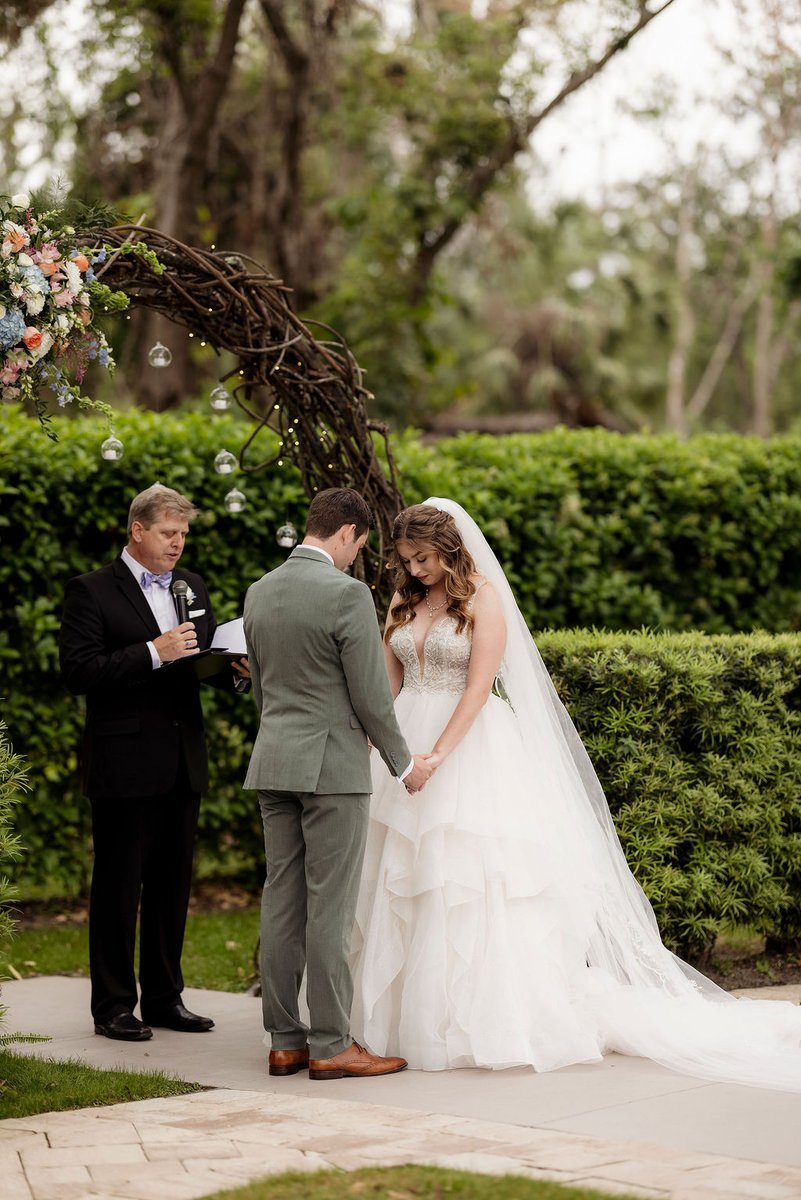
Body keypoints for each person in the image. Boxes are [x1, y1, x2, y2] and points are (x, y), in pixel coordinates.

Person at [351, 498, 801, 1091]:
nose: (414, 570)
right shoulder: (403, 600)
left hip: (467, 745)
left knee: (467, 879)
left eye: (425, 558)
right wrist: (376, 742)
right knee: (394, 877)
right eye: (407, 560)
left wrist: (438, 754)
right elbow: (390, 681)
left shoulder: (482, 597)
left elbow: (481, 688)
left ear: (451, 549)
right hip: (402, 739)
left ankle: (473, 1023)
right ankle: (389, 1023)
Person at [243, 487, 433, 1081]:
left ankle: (283, 1040)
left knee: (282, 899)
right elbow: (372, 695)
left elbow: (264, 687)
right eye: (360, 546)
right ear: (348, 531)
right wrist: (405, 764)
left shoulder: (259, 591)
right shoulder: (347, 595)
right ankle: (330, 1043)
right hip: (332, 769)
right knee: (330, 904)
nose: (358, 559)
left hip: (273, 762)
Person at [59, 483, 249, 1042]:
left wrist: (233, 672)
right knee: (119, 887)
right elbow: (79, 672)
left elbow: (200, 660)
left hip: (181, 759)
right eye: (169, 533)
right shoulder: (90, 591)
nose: (178, 545)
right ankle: (114, 1006)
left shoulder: (192, 586)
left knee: (172, 885)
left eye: (184, 535)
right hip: (122, 763)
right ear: (137, 530)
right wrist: (152, 651)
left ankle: (166, 998)